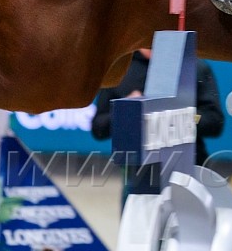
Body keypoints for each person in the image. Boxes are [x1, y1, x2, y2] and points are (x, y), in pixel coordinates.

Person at [90, 50, 225, 167]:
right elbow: (99, 129)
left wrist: (176, 117)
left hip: (189, 167)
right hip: (137, 172)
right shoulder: (120, 69)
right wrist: (125, 110)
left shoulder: (193, 67)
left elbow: (214, 122)